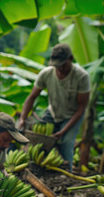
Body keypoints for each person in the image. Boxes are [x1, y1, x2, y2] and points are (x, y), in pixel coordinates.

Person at [19, 43, 90, 172]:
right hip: (53, 112)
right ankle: (39, 170)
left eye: (63, 64)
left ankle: (67, 173)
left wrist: (63, 131)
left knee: (66, 142)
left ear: (71, 59)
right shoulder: (46, 73)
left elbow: (81, 107)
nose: (60, 68)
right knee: (38, 139)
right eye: (57, 65)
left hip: (73, 115)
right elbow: (31, 98)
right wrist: (23, 119)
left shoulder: (81, 77)